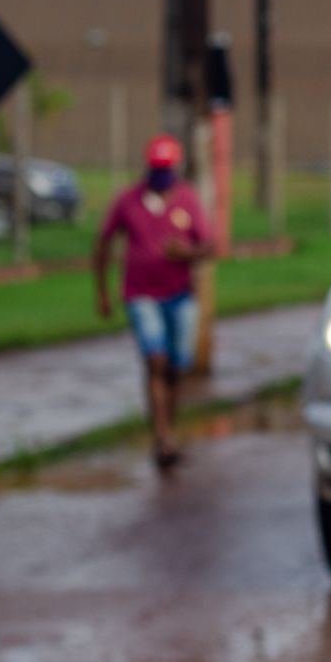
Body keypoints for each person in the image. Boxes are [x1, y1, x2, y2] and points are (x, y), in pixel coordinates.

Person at [94, 135, 213, 468]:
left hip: (180, 296)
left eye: (166, 168)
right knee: (155, 361)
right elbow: (103, 244)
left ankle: (168, 431)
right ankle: (161, 438)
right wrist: (102, 293)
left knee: (177, 366)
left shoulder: (187, 199)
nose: (161, 174)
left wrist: (186, 253)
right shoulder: (128, 200)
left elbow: (209, 245)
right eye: (156, 167)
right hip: (141, 295)